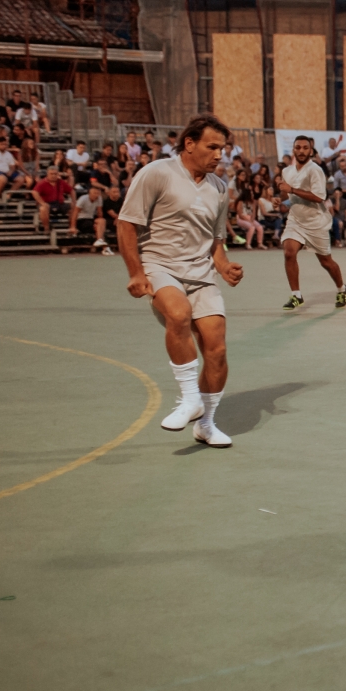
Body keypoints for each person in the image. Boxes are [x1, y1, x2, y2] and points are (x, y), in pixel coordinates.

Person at [115, 113, 244, 448]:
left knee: (216, 349)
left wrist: (224, 266)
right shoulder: (157, 173)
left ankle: (206, 424)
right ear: (189, 143)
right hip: (161, 266)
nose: (219, 155)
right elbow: (126, 224)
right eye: (212, 147)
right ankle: (189, 399)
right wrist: (136, 272)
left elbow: (215, 240)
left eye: (222, 149)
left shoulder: (219, 188)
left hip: (201, 273)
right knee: (178, 313)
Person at [278, 135, 346, 310]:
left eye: (305, 148)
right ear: (293, 150)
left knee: (326, 262)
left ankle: (341, 288)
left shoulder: (315, 170)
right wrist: (280, 200)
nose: (301, 151)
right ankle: (296, 295)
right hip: (295, 220)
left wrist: (292, 189)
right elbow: (286, 196)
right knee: (289, 253)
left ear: (311, 151)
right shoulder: (287, 171)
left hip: (316, 222)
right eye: (298, 147)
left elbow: (318, 197)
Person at [0, 134, 31, 202]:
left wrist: (11, 171)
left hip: (6, 172)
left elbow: (12, 165)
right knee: (3, 179)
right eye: (2, 144)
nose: (4, 146)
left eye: (5, 144)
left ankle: (9, 195)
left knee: (20, 179)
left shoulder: (8, 154)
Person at [32, 166, 73, 235]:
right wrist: (42, 203)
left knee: (73, 207)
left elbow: (71, 190)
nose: (53, 176)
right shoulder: (42, 183)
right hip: (47, 203)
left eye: (55, 174)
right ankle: (46, 229)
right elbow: (34, 192)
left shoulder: (61, 182)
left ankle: (72, 228)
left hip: (59, 203)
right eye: (51, 174)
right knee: (43, 208)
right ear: (47, 174)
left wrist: (74, 201)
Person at [74, 183, 113, 254]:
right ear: (89, 193)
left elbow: (100, 214)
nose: (96, 195)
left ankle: (100, 242)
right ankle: (105, 248)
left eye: (97, 193)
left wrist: (99, 207)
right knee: (98, 228)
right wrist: (72, 227)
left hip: (91, 219)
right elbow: (75, 213)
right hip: (81, 220)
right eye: (94, 193)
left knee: (102, 221)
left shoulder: (99, 199)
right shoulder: (83, 199)